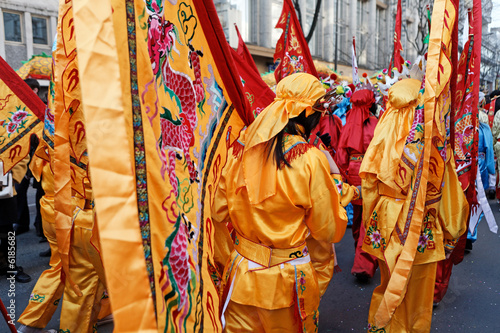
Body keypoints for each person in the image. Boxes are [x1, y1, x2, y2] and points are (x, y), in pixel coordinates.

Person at [212, 73, 348, 332]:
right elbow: (329, 230)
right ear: (308, 114)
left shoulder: (242, 148)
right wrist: (337, 182)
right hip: (287, 284)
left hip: (241, 275)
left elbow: (218, 209)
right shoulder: (310, 160)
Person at [360, 79, 468, 332]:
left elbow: (368, 187)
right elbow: (449, 190)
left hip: (387, 219)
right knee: (418, 292)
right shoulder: (433, 140)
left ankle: (384, 327)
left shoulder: (383, 134)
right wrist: (453, 231)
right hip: (421, 223)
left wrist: (371, 220)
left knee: (388, 284)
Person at [336, 88, 379, 281]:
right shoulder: (377, 124)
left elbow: (341, 155)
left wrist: (343, 176)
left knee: (359, 216)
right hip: (370, 174)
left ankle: (359, 254)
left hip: (354, 173)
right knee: (369, 220)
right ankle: (364, 263)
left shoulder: (348, 125)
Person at [13, 78, 42, 235]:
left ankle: (41, 226)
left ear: (35, 90)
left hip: (40, 156)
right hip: (23, 156)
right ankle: (21, 222)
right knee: (19, 189)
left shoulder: (43, 106)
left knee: (41, 193)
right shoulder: (21, 108)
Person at [0, 154, 32, 283]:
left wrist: (13, 177)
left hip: (4, 186)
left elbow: (22, 153)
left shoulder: (7, 132)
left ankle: (11, 266)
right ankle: (2, 263)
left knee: (8, 232)